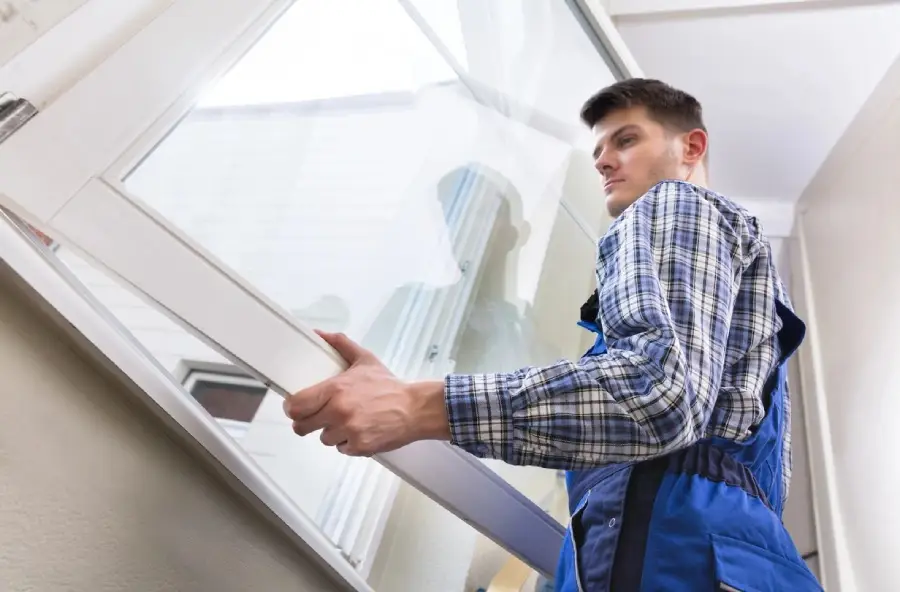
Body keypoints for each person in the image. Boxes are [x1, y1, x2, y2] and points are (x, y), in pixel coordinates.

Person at [283, 78, 824, 591]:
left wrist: (418, 405)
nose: (605, 161)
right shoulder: (747, 292)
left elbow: (657, 395)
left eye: (626, 140)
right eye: (597, 154)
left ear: (691, 147)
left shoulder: (672, 204)